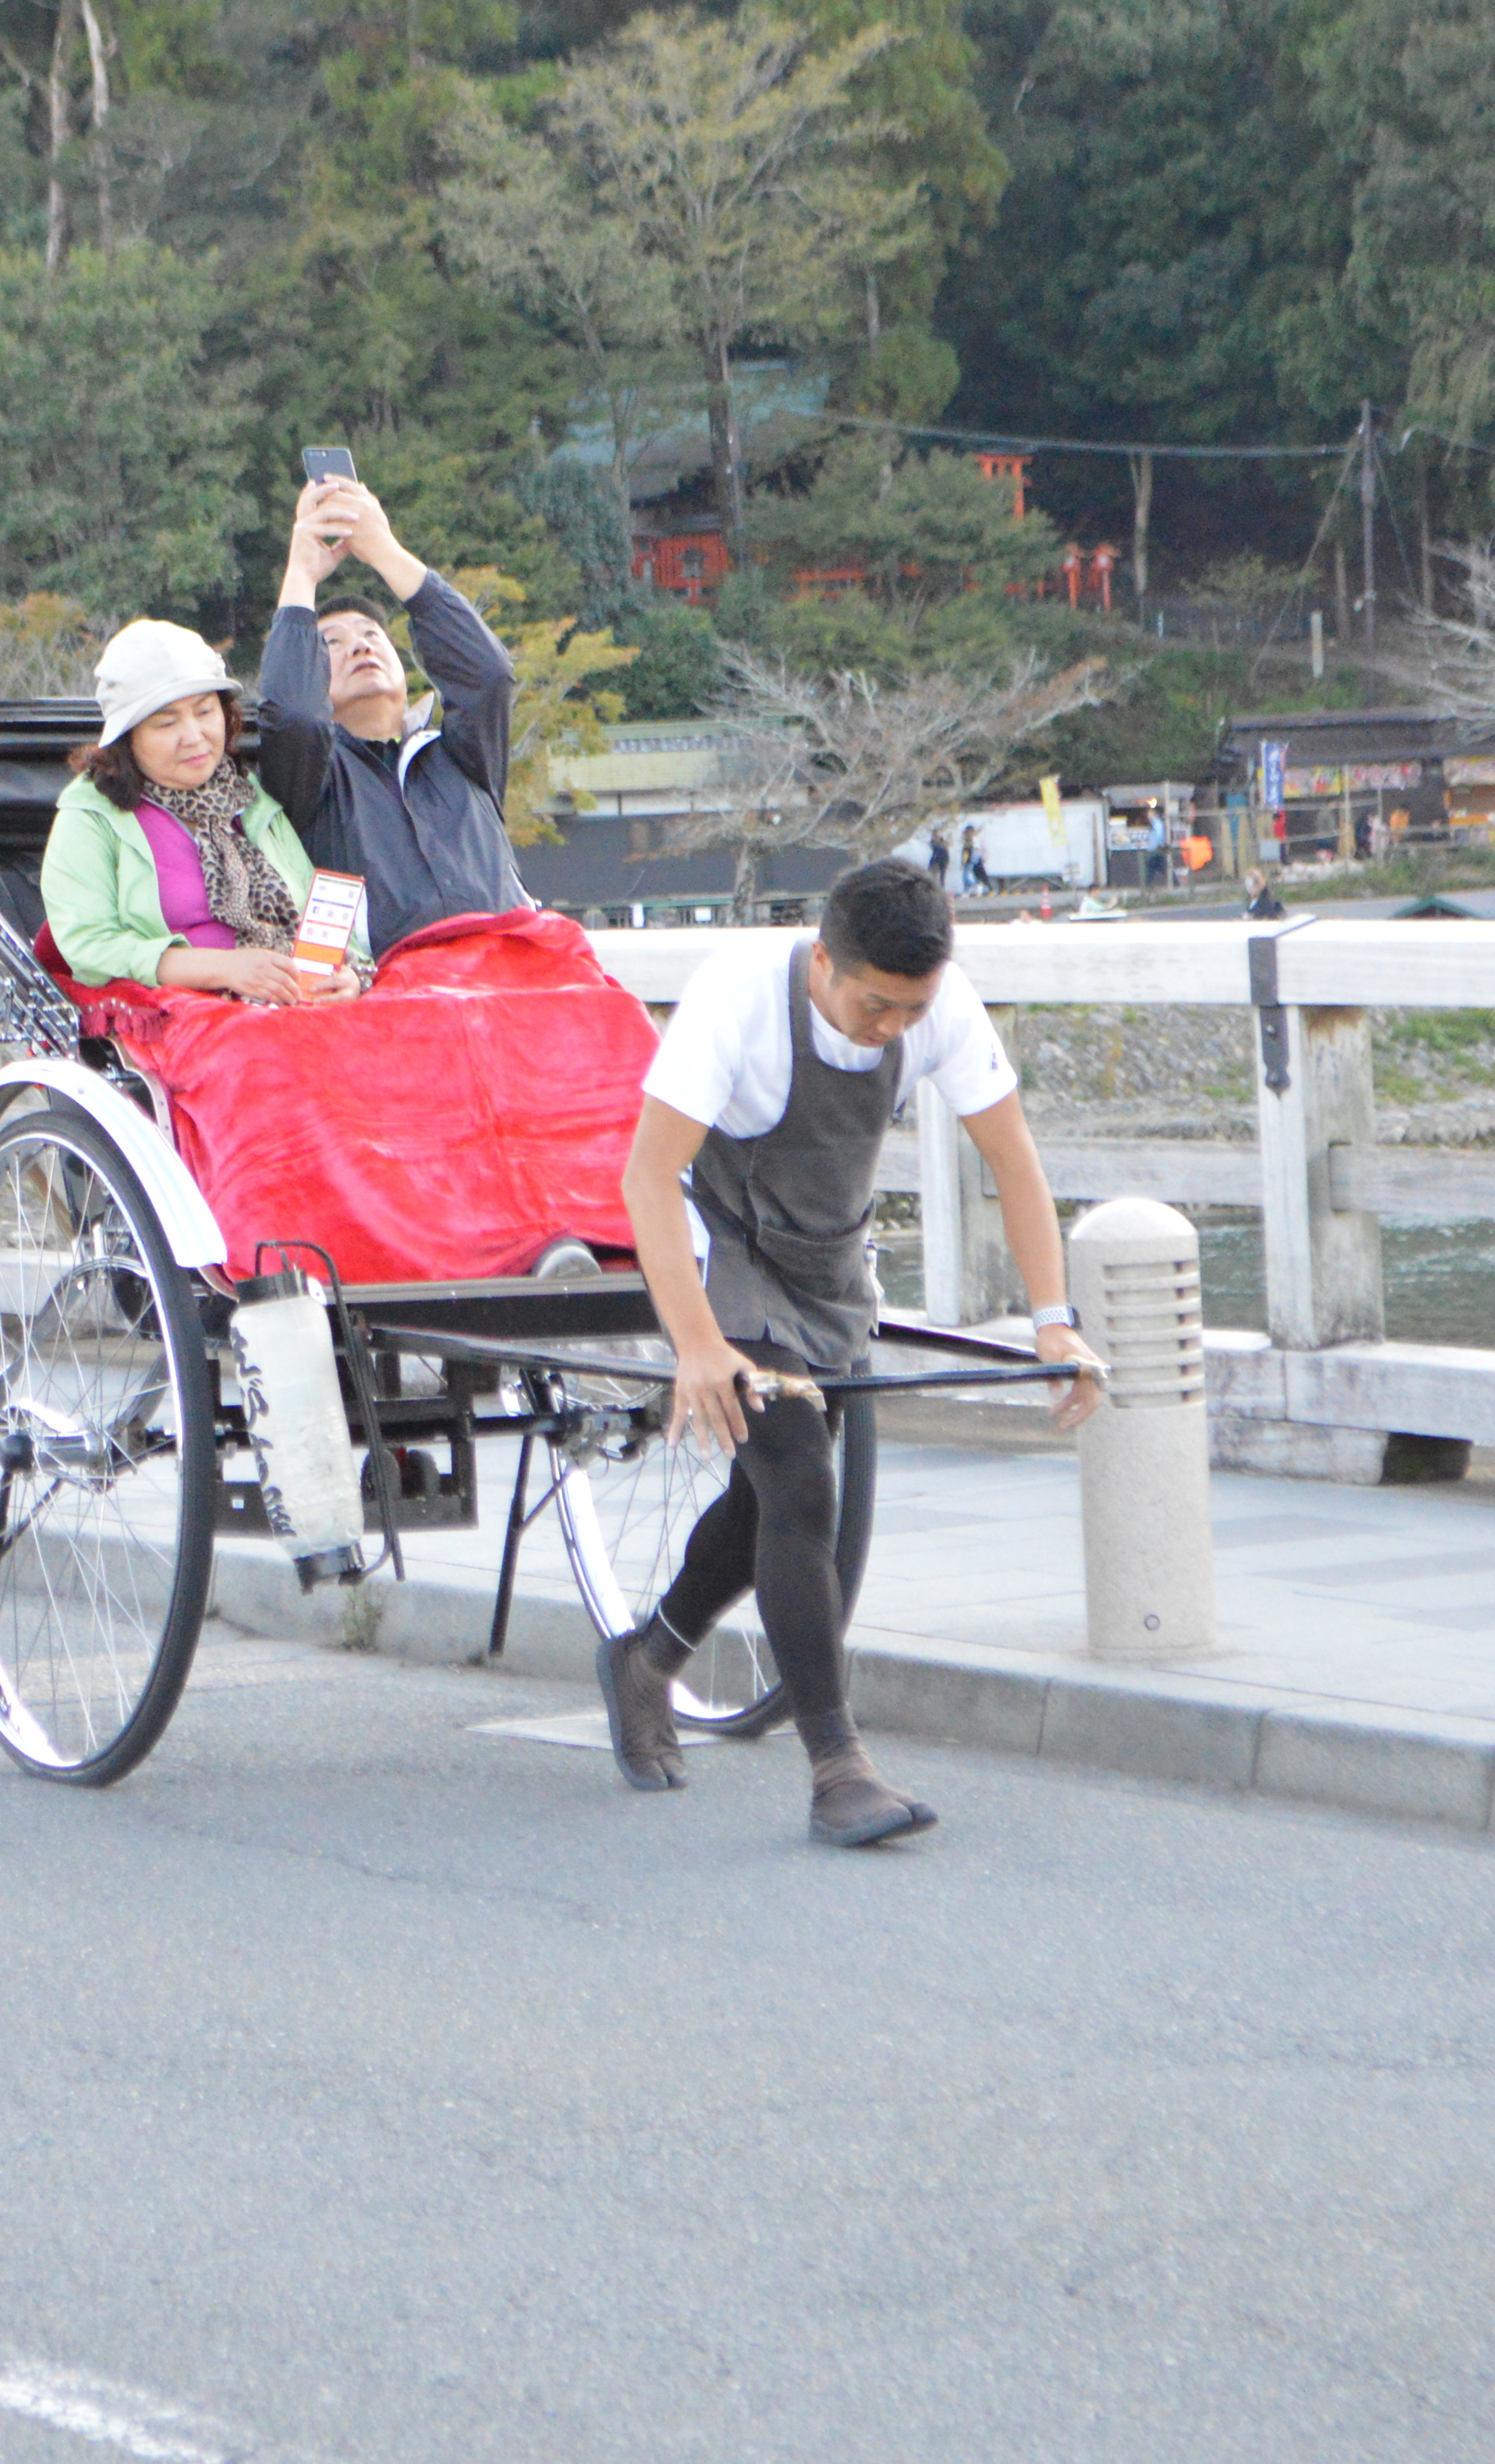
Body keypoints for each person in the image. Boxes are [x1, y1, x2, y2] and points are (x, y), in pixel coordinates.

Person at [607, 860, 1103, 1848]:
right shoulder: (738, 997)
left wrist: (1054, 1318)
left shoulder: (940, 1003)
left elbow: (1012, 1160)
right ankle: (838, 1766)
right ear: (824, 960)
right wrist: (699, 1346)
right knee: (797, 1479)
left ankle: (646, 1658)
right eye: (875, 1006)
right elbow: (647, 1176)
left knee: (764, 1499)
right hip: (722, 1243)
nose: (893, 1028)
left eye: (910, 1011)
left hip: (830, 1259)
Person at [255, 476, 528, 958]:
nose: (359, 644)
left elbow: (489, 677)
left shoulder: (462, 758)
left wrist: (384, 551)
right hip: (380, 992)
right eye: (331, 644)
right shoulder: (310, 782)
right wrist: (301, 574)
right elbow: (293, 715)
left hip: (505, 975)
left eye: (370, 634)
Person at [46, 620, 356, 1003]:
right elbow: (89, 946)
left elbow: (317, 906)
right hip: (179, 1014)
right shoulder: (90, 815)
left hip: (291, 1002)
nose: (194, 737)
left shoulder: (248, 795)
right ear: (128, 741)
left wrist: (347, 973)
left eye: (205, 711)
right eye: (166, 722)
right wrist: (225, 968)